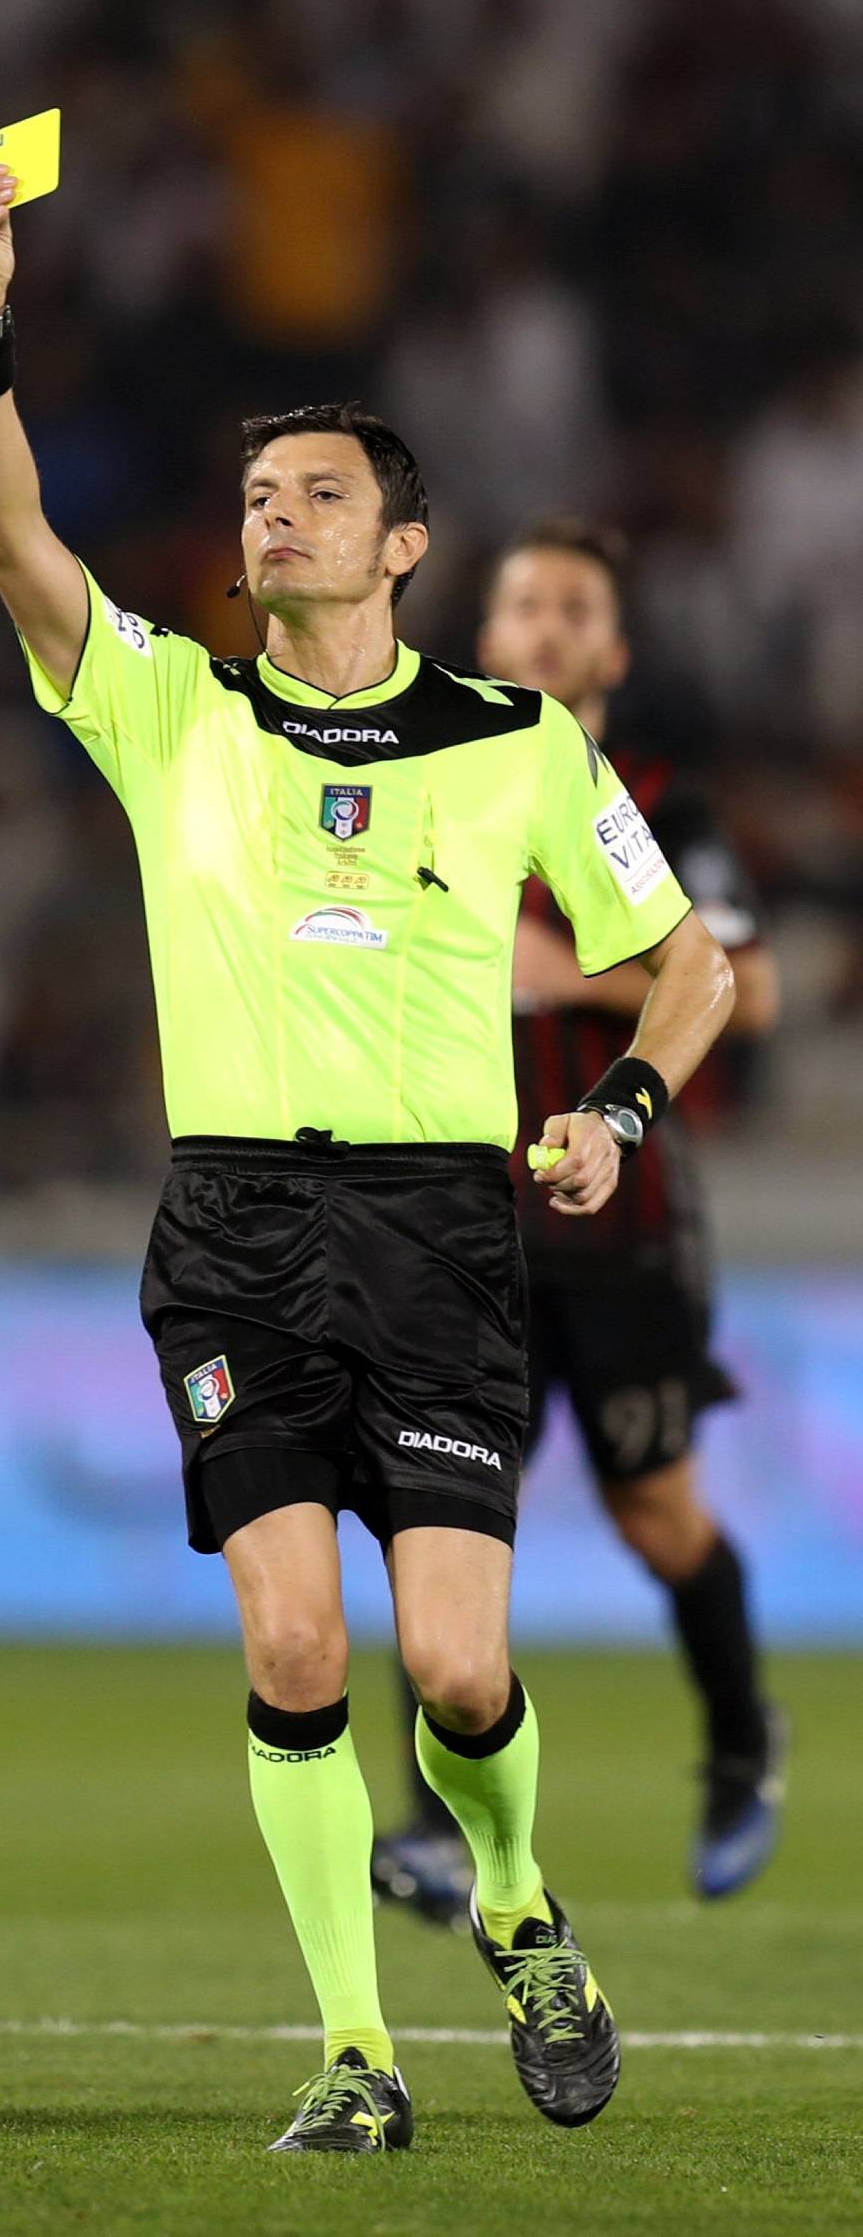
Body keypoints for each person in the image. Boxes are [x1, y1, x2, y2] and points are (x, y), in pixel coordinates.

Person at [0, 161, 735, 2155]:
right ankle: (355, 2059)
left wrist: (618, 1117)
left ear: (404, 542)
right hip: (234, 1231)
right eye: (256, 496)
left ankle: (527, 1905)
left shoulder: (515, 743)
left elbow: (687, 968)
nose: (270, 517)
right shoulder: (166, 709)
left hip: (444, 1232)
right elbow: (0, 524)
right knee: (296, 1641)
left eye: (314, 495)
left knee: (459, 1672)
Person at [372, 520, 784, 1926]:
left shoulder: (668, 803)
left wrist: (565, 969)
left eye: (575, 610)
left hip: (631, 1233)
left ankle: (741, 1751)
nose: (545, 628)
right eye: (524, 606)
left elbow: (753, 986)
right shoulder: (430, 792)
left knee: (656, 1512)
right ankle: (430, 1823)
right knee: (438, 1504)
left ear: (610, 651)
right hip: (469, 1233)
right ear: (484, 644)